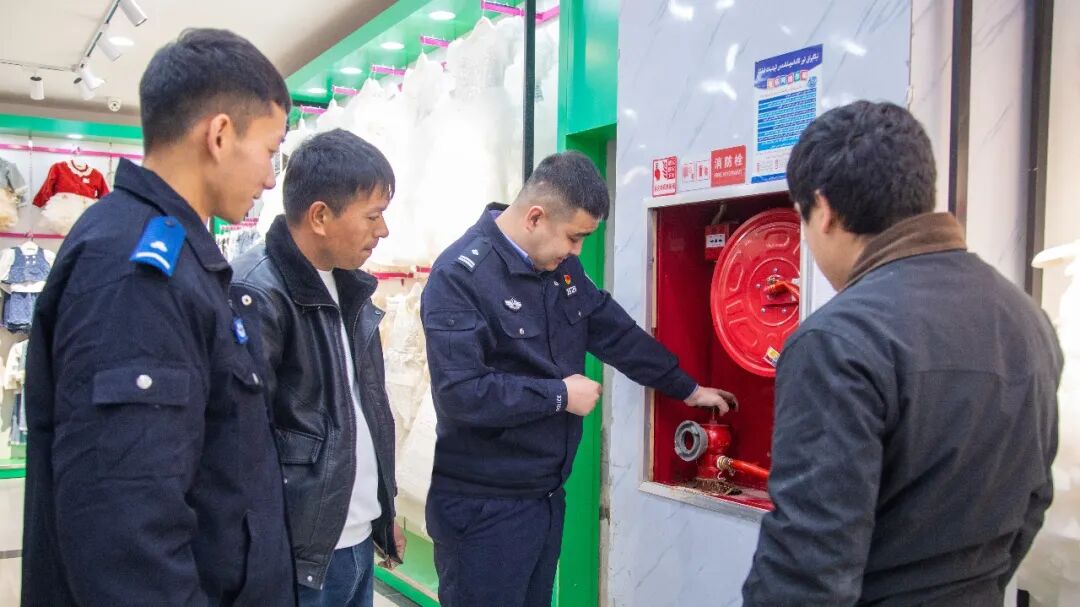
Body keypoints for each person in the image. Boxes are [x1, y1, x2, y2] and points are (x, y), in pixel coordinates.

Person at [742, 101, 1062, 605]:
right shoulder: (1027, 320)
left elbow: (807, 567)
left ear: (823, 211)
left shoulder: (836, 340)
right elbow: (1033, 501)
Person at [21, 29, 295, 606]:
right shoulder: (136, 271)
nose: (271, 178)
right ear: (220, 135)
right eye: (270, 151)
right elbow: (124, 531)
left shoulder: (176, 256)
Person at [421, 151, 737, 606]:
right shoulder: (459, 276)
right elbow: (461, 393)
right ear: (536, 217)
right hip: (482, 507)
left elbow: (613, 330)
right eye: (574, 237)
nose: (577, 252)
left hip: (544, 498)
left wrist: (686, 387)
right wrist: (558, 396)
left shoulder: (559, 270)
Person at [232, 129, 405, 607]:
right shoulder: (256, 292)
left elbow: (362, 410)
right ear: (321, 216)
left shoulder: (349, 286)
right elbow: (243, 446)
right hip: (298, 556)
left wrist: (381, 509)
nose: (383, 231)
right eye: (373, 215)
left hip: (352, 541)